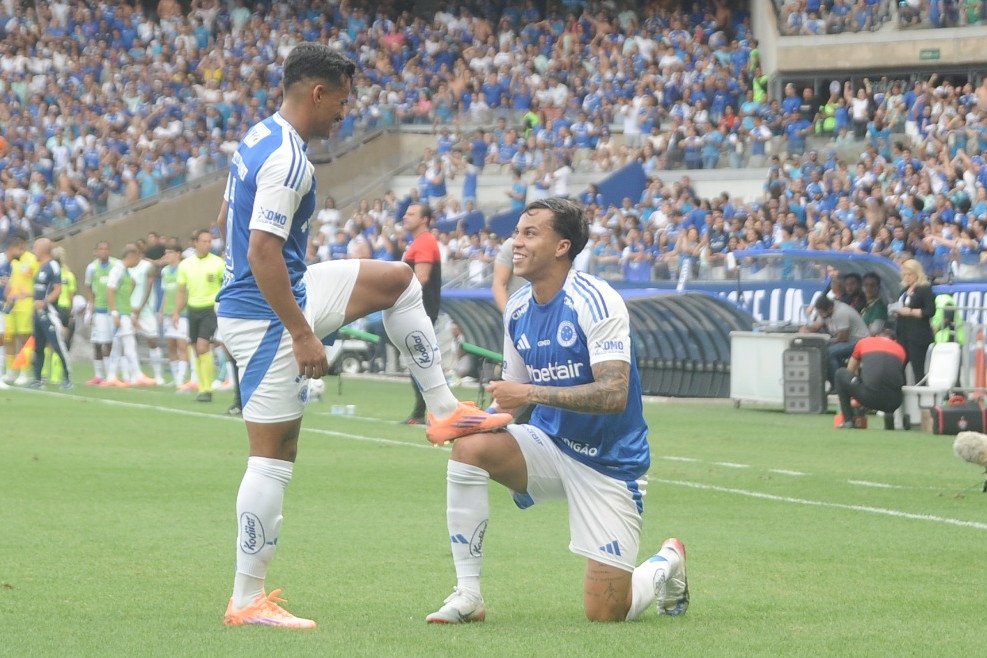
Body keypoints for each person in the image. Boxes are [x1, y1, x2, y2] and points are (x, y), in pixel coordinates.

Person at [214, 44, 511, 630]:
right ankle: (246, 599)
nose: (346, 113)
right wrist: (302, 335)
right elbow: (261, 251)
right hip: (269, 316)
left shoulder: (261, 137)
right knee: (271, 455)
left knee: (397, 281)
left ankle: (444, 409)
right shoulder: (289, 160)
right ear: (317, 92)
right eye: (343, 101)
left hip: (276, 297)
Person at [425, 198, 688, 624]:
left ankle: (666, 562)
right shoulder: (517, 309)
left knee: (606, 613)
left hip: (609, 463)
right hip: (549, 445)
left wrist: (529, 392)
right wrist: (462, 424)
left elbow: (613, 393)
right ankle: (468, 595)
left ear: (562, 246)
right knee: (470, 450)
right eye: (516, 234)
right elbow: (509, 404)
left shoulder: (596, 300)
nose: (516, 244)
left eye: (530, 234)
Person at [400, 202, 442, 425]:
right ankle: (422, 412)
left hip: (420, 310)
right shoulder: (418, 242)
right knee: (418, 362)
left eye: (411, 213)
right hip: (418, 310)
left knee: (421, 363)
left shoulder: (425, 242)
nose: (405, 217)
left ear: (424, 219)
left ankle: (427, 412)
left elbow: (422, 278)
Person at [172, 229, 225, 403]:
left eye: (209, 241)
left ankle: (207, 388)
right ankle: (202, 386)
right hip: (192, 310)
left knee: (203, 346)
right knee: (195, 349)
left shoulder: (218, 263)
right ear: (195, 242)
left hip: (210, 309)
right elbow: (181, 291)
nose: (207, 244)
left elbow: (224, 288)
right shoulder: (185, 265)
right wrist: (176, 312)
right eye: (204, 241)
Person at [833, 334, 906, 429]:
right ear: (894, 341)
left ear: (875, 336)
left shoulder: (864, 342)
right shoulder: (900, 349)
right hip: (895, 402)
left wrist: (854, 393)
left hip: (869, 397)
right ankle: (889, 419)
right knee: (884, 382)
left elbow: (850, 370)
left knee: (840, 374)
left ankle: (848, 420)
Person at [28, 238, 72, 389]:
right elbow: (39, 290)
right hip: (38, 313)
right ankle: (37, 379)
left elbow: (57, 289)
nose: (33, 249)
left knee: (57, 344)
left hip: (49, 312)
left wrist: (45, 302)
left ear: (43, 249)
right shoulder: (41, 267)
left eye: (35, 247)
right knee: (38, 346)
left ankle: (67, 378)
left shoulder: (53, 265)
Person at [804, 295, 869, 391]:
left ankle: (838, 386)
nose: (821, 315)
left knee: (829, 352)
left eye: (821, 313)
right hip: (847, 339)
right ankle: (835, 382)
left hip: (859, 340)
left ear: (829, 309)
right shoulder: (825, 311)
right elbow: (816, 327)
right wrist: (806, 328)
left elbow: (843, 338)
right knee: (825, 350)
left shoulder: (840, 312)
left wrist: (828, 341)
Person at [890, 259, 935, 383]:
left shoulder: (924, 289)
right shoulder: (903, 291)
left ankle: (921, 396)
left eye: (909, 274)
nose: (907, 277)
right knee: (899, 366)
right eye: (904, 274)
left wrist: (910, 311)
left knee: (918, 369)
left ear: (917, 273)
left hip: (918, 335)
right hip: (902, 334)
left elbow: (930, 311)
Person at [104, 245, 143, 387]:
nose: (138, 261)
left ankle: (111, 376)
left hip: (124, 313)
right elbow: (110, 290)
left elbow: (126, 292)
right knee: (129, 343)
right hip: (120, 314)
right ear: (131, 256)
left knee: (117, 346)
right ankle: (136, 375)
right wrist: (115, 313)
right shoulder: (117, 269)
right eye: (137, 258)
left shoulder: (126, 272)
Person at [4, 235, 38, 385]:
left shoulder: (31, 260)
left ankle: (24, 372)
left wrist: (31, 295)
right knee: (9, 338)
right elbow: (11, 280)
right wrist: (7, 294)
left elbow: (39, 282)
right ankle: (11, 371)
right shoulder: (12, 262)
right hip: (12, 305)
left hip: (26, 304)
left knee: (25, 338)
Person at [84, 241, 117, 385]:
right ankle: (98, 375)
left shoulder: (116, 265)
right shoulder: (91, 268)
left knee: (109, 343)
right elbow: (89, 287)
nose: (104, 251)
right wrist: (90, 307)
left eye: (106, 248)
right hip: (99, 310)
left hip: (111, 310)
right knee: (96, 343)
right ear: (96, 252)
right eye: (101, 249)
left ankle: (110, 375)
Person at [159, 242, 189, 389]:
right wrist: (161, 310)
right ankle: (176, 376)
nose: (167, 255)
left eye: (169, 252)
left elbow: (186, 293)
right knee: (171, 345)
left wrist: (178, 311)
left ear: (177, 254)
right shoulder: (165, 271)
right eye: (166, 252)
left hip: (182, 314)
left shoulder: (184, 269)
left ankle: (182, 378)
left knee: (182, 345)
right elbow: (165, 293)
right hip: (168, 313)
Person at [490, 237, 526, 313]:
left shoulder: (554, 247)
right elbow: (498, 285)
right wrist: (509, 316)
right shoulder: (512, 245)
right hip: (519, 314)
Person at [860, 271, 888, 336]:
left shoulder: (880, 307)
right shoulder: (864, 304)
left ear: (878, 288)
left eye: (872, 285)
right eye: (866, 285)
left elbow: (874, 330)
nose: (868, 288)